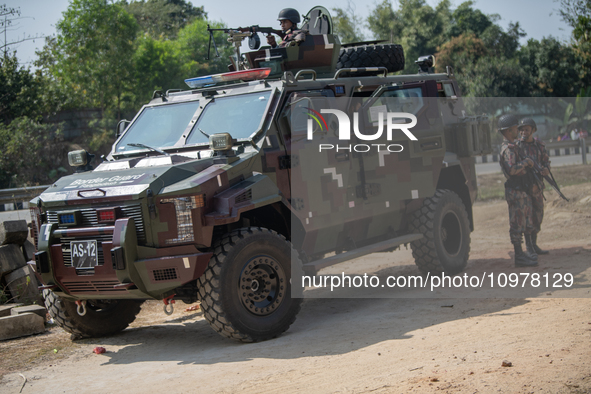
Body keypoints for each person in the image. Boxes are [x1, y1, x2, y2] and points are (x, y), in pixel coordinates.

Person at [498, 114, 538, 267]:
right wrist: (525, 163)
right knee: (516, 224)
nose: (518, 130)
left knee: (525, 222)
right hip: (515, 191)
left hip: (521, 190)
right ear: (508, 130)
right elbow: (511, 169)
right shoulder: (508, 149)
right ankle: (519, 256)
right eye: (515, 128)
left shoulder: (514, 146)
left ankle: (525, 253)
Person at [518, 117, 551, 257]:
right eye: (522, 129)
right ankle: (529, 246)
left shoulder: (539, 146)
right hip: (524, 187)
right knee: (527, 216)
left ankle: (534, 243)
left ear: (533, 130)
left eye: (527, 129)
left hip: (537, 187)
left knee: (538, 215)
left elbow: (546, 161)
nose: (524, 132)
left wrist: (545, 169)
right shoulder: (517, 147)